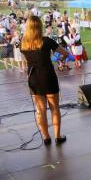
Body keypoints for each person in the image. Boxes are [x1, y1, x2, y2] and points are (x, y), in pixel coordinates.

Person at [20, 15, 68, 145]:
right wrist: (61, 61)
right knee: (54, 108)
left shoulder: (23, 43)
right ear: (40, 26)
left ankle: (46, 138)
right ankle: (57, 136)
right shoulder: (47, 41)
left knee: (40, 110)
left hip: (33, 78)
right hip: (48, 77)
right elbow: (66, 53)